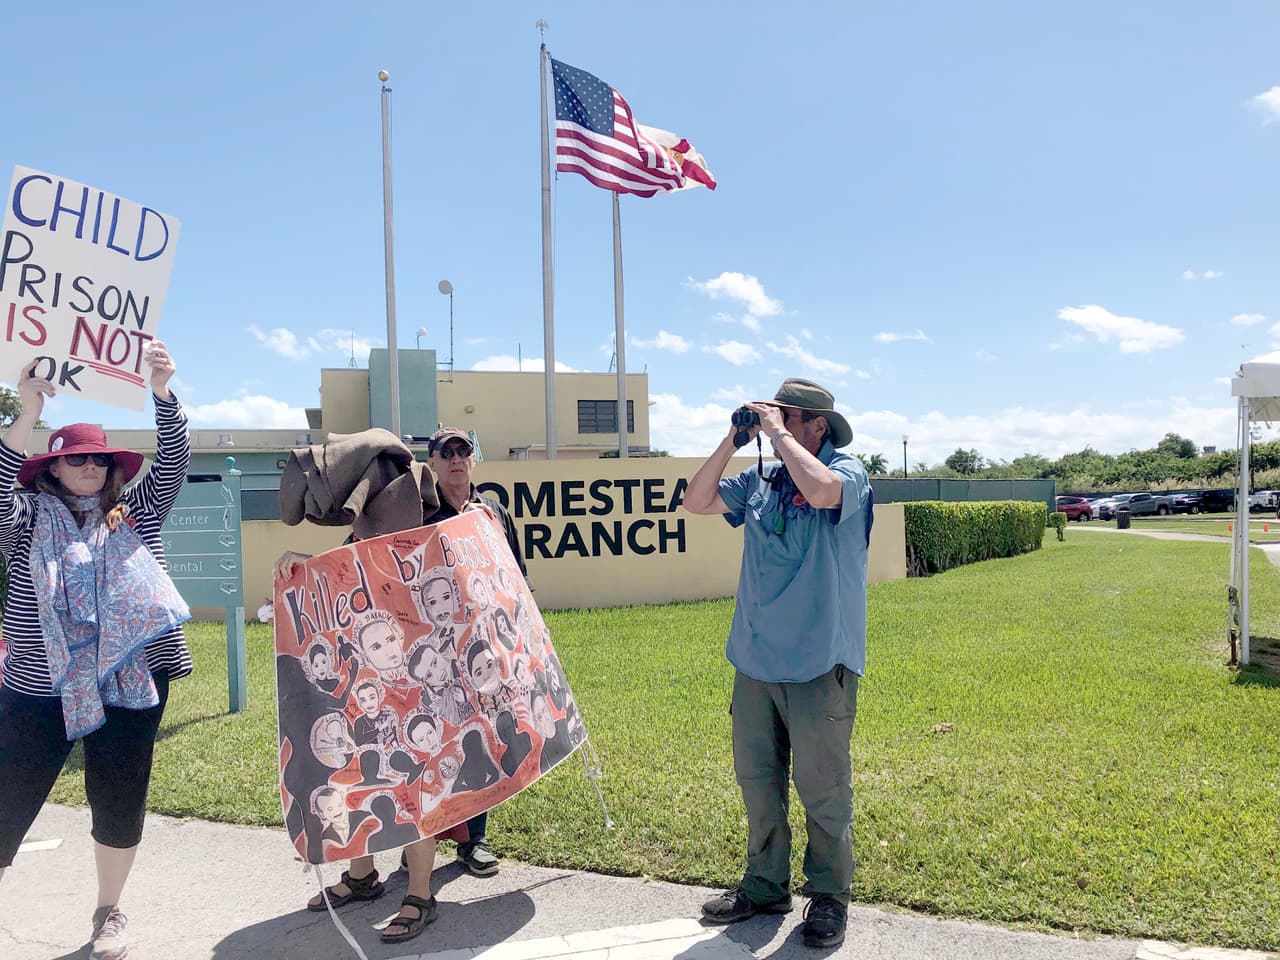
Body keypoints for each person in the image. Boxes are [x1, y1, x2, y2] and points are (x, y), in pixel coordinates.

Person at [0, 344, 191, 960]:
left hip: (129, 680)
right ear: (52, 467)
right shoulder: (26, 517)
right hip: (39, 683)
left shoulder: (134, 511)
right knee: (8, 796)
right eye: (74, 456)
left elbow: (174, 463)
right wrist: (26, 412)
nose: (87, 464)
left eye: (97, 457)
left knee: (119, 796)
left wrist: (162, 392)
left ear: (112, 467)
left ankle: (110, 913)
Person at [682, 378, 873, 950]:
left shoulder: (848, 471)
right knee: (759, 784)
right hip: (756, 662)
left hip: (820, 663)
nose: (777, 423)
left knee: (824, 789)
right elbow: (696, 500)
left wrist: (775, 432)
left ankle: (829, 896)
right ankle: (765, 886)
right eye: (775, 415)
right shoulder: (760, 479)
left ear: (817, 425)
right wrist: (733, 439)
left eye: (788, 416)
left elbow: (820, 493)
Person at [422, 427, 531, 879]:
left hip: (484, 645)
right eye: (444, 453)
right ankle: (423, 847)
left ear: (473, 460)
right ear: (430, 463)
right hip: (435, 649)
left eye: (463, 451)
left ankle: (475, 841)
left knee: (481, 739)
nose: (455, 460)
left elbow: (516, 572)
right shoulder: (418, 511)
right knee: (437, 745)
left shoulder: (492, 510)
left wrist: (524, 632)